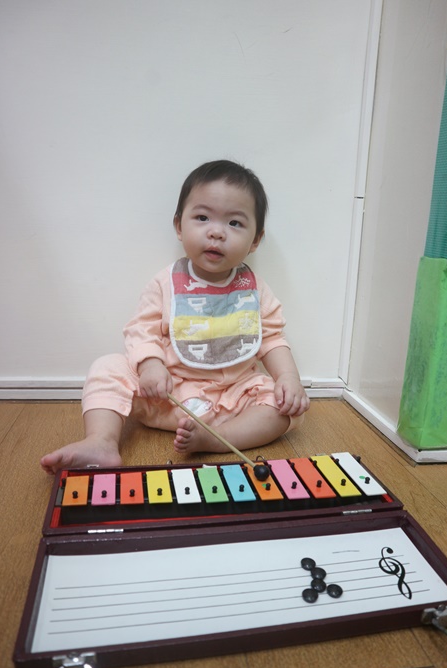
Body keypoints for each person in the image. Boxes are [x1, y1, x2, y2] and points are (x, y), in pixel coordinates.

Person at [41, 160, 310, 475]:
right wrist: (151, 366)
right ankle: (101, 441)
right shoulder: (166, 284)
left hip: (234, 398)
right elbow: (142, 330)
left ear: (255, 240)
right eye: (202, 217)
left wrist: (288, 379)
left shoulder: (254, 290)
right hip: (168, 395)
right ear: (180, 226)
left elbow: (272, 338)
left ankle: (217, 439)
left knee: (285, 406)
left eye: (235, 223)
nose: (216, 232)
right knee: (108, 367)